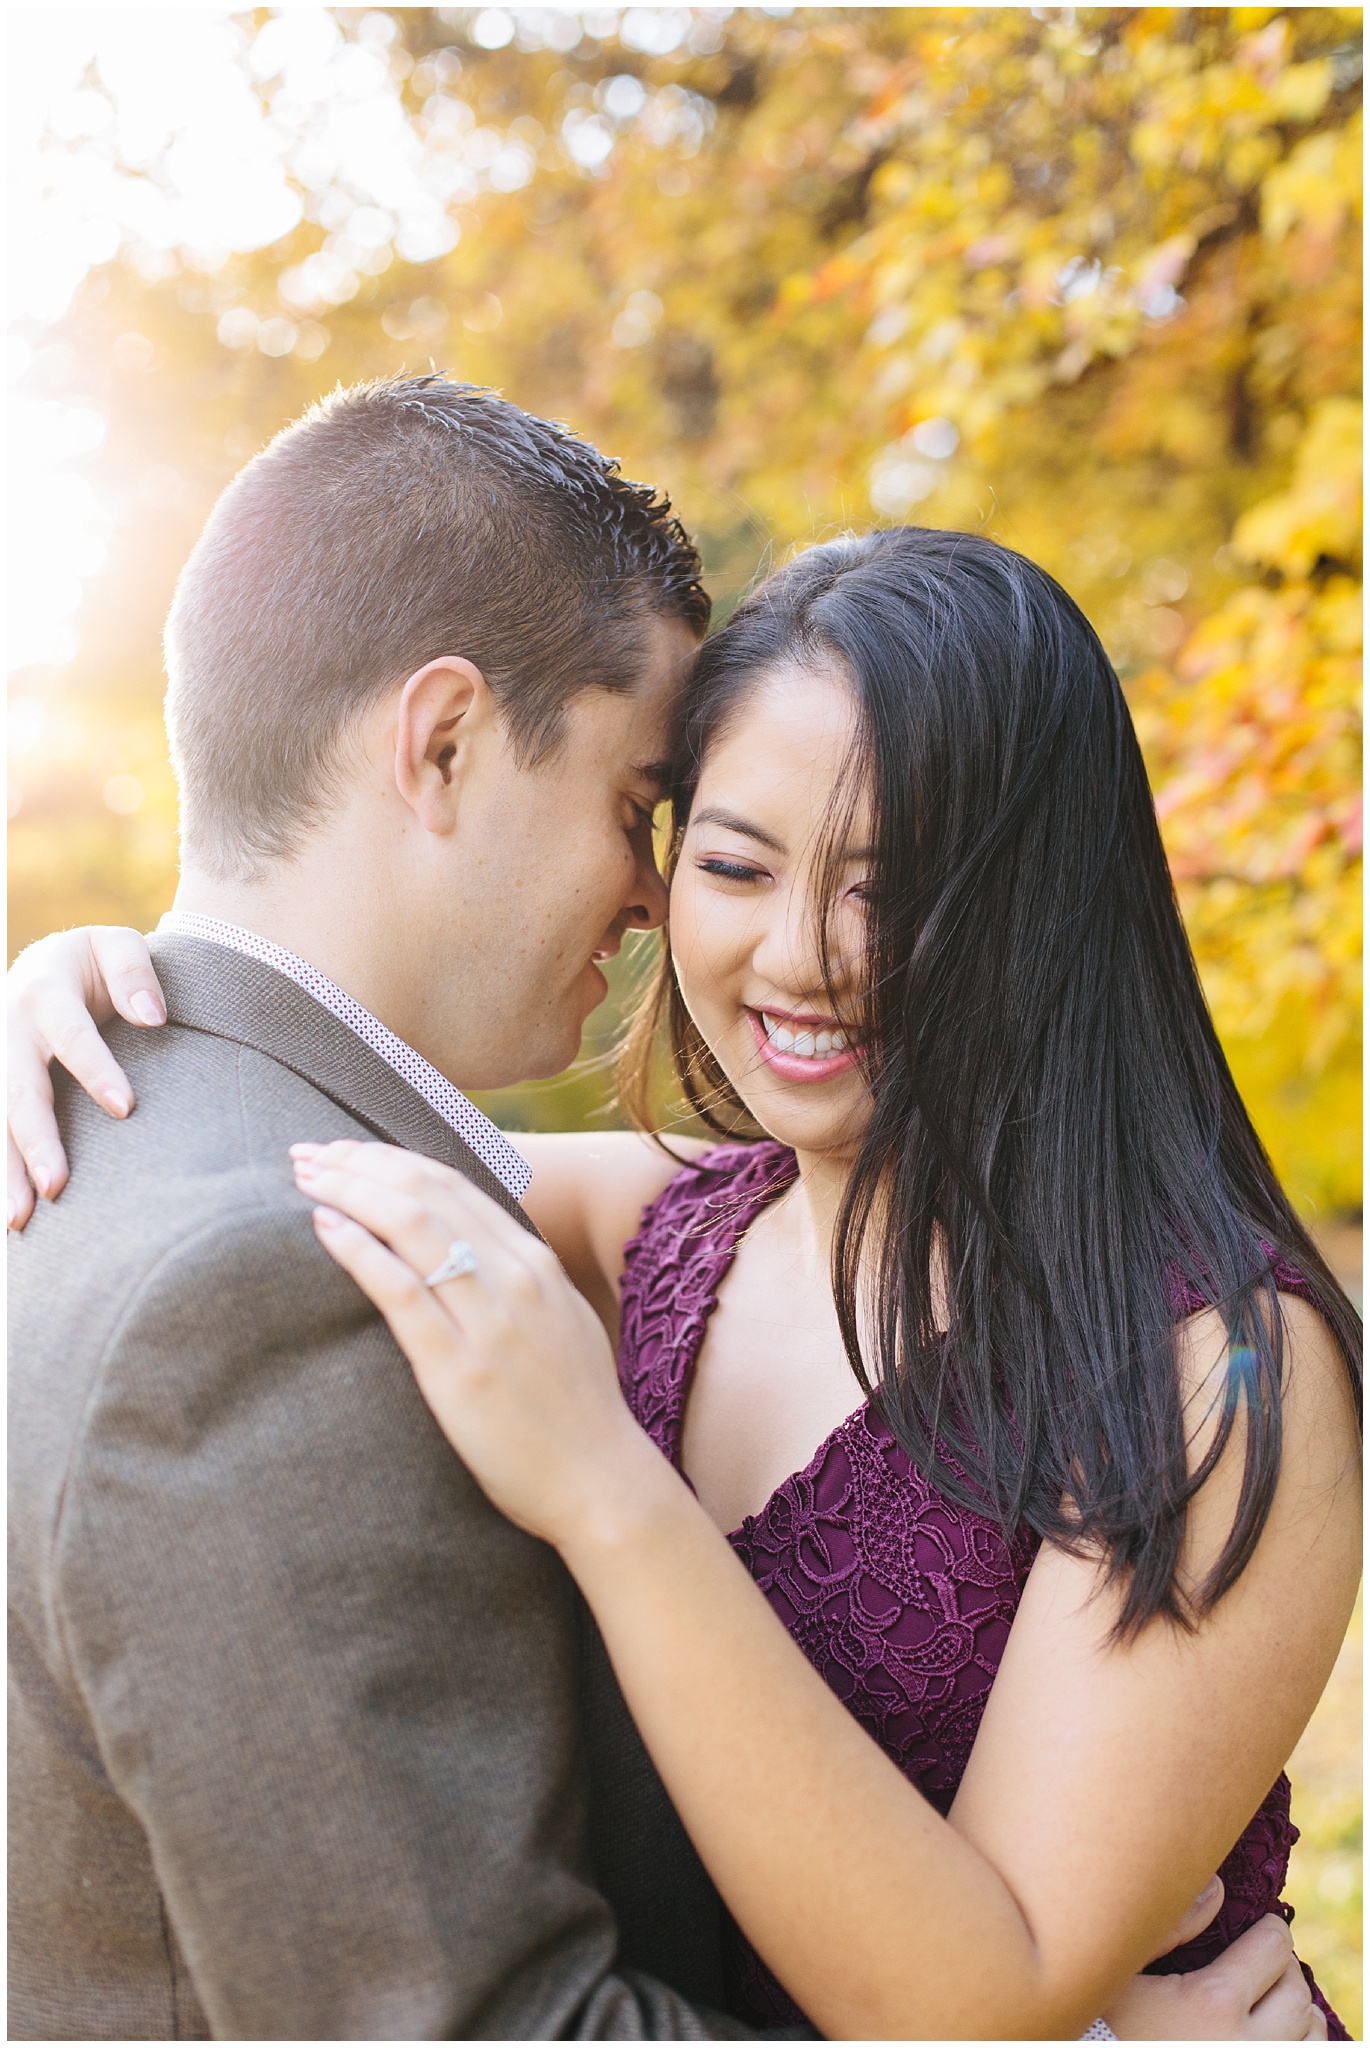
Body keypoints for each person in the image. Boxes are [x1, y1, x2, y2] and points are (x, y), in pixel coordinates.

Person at [10, 523, 1354, 2038]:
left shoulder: (1210, 1369)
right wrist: (115, 990)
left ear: (1039, 901)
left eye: (889, 888)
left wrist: (605, 1486)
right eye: (732, 863)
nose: (799, 957)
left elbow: (985, 2002)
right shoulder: (661, 1224)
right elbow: (302, 1140)